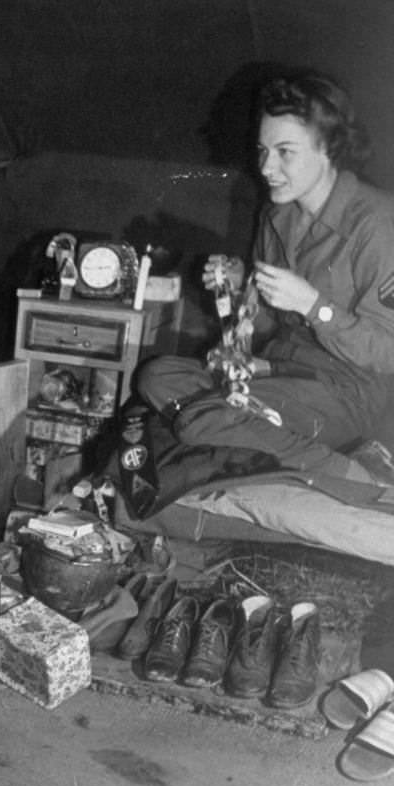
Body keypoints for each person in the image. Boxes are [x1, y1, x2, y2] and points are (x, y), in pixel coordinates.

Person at [136, 70, 394, 487]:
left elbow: (388, 353)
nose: (266, 167)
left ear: (327, 147)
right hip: (278, 369)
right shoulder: (277, 215)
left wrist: (314, 306)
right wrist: (240, 290)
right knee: (155, 375)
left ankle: (352, 478)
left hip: (347, 392)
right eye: (262, 150)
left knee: (200, 419)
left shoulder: (379, 224)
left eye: (285, 152)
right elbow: (268, 322)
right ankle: (249, 428)